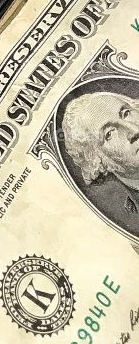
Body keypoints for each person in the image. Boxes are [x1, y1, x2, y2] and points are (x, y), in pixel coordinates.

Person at [61, 88, 139, 237]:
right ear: (98, 161)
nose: (133, 130)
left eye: (126, 114)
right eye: (109, 133)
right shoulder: (132, 218)